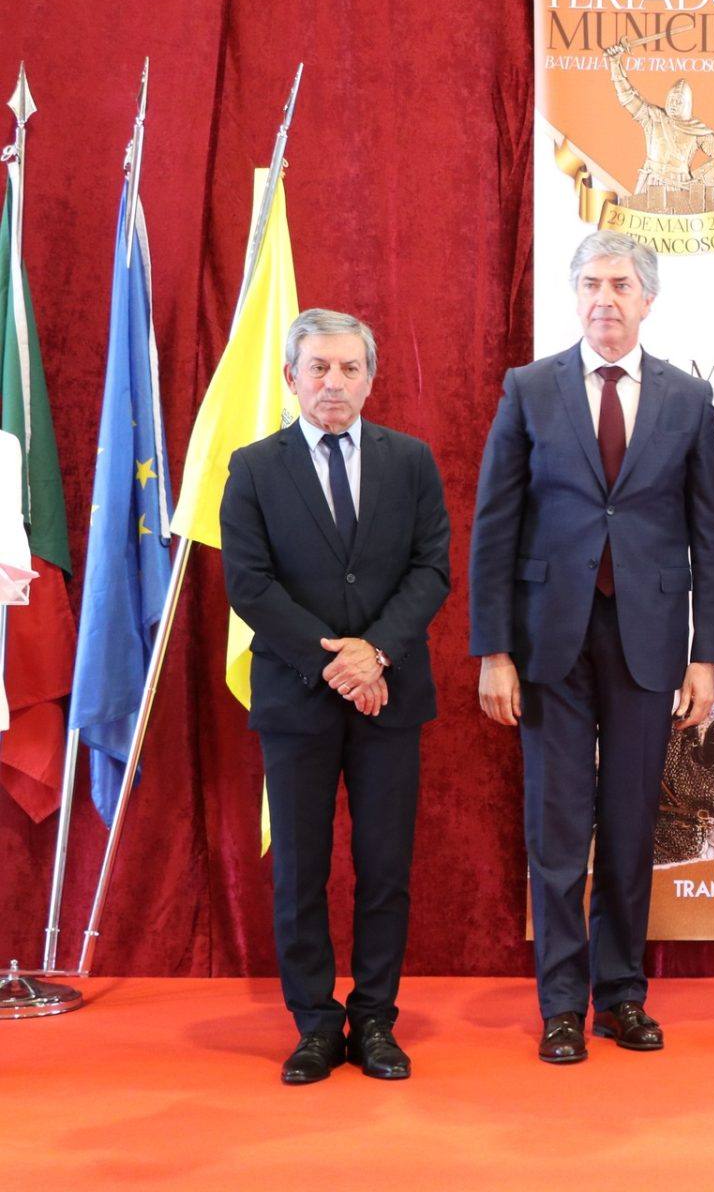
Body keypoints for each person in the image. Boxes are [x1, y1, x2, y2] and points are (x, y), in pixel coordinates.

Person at [469, 230, 714, 1063]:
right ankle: (559, 1006)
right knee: (556, 828)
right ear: (574, 295)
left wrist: (706, 655)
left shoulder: (687, 398)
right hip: (548, 640)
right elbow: (495, 525)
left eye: (620, 284)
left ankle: (621, 996)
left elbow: (709, 535)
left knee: (628, 827)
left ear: (647, 299)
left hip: (647, 641)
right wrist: (493, 650)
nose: (604, 299)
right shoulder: (529, 388)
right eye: (590, 283)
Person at [220, 308, 451, 1085]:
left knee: (386, 868)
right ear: (291, 377)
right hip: (298, 698)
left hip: (391, 695)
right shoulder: (254, 468)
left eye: (350, 368)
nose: (334, 382)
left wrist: (374, 653)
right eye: (318, 367)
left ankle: (375, 1019)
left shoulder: (410, 461)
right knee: (301, 869)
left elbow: (432, 569)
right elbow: (249, 584)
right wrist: (338, 664)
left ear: (370, 379)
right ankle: (316, 1024)